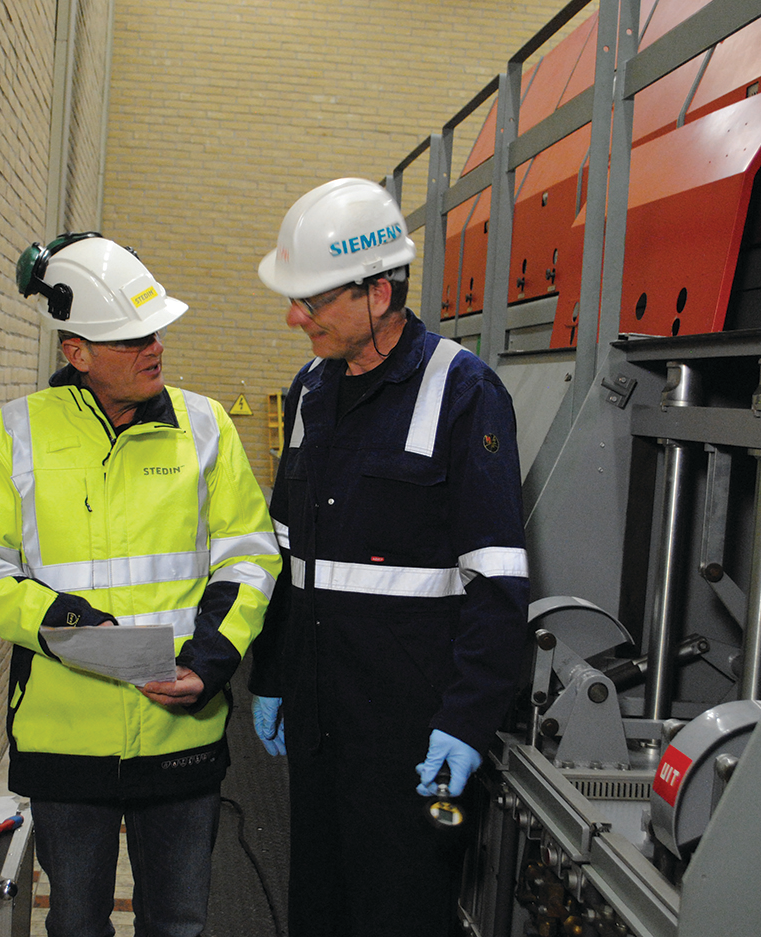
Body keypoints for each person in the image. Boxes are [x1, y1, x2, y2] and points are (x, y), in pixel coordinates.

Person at [0, 233, 280, 937]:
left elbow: (250, 555)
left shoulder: (205, 427)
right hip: (67, 740)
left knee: (180, 922)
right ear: (78, 352)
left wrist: (212, 660)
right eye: (130, 338)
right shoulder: (16, 434)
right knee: (74, 921)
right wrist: (64, 618)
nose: (153, 346)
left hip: (179, 731)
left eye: (154, 329)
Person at [248, 178, 530, 937]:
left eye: (310, 301)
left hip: (418, 749)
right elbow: (287, 553)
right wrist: (272, 676)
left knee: (404, 914)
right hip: (320, 727)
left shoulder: (464, 392)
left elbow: (498, 584)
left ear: (377, 291)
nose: (293, 317)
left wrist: (465, 729)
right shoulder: (311, 389)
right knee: (320, 906)